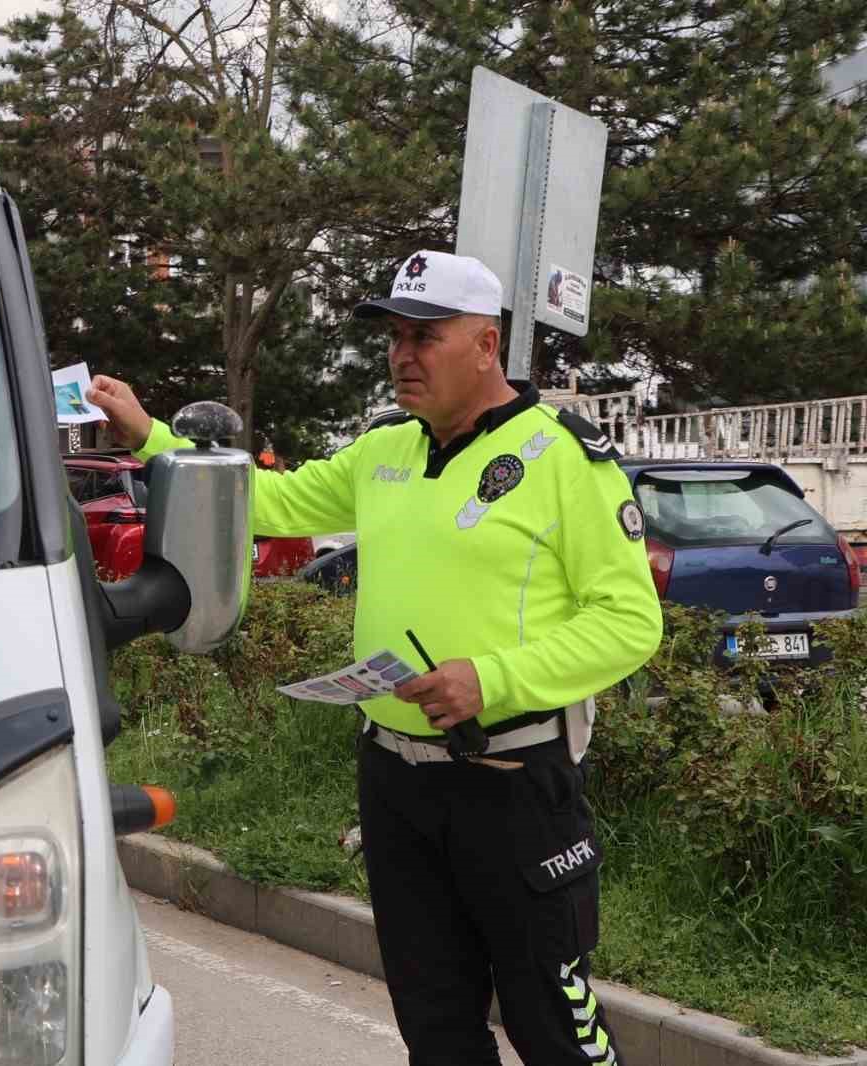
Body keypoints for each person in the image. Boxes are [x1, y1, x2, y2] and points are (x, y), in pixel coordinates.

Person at [88, 250, 663, 1066]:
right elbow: (272, 503)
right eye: (395, 336)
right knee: (434, 1022)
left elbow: (630, 621)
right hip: (394, 782)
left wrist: (490, 679)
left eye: (425, 336)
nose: (402, 354)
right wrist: (154, 437)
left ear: (486, 345)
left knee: (553, 1024)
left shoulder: (563, 456)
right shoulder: (385, 448)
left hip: (512, 781)